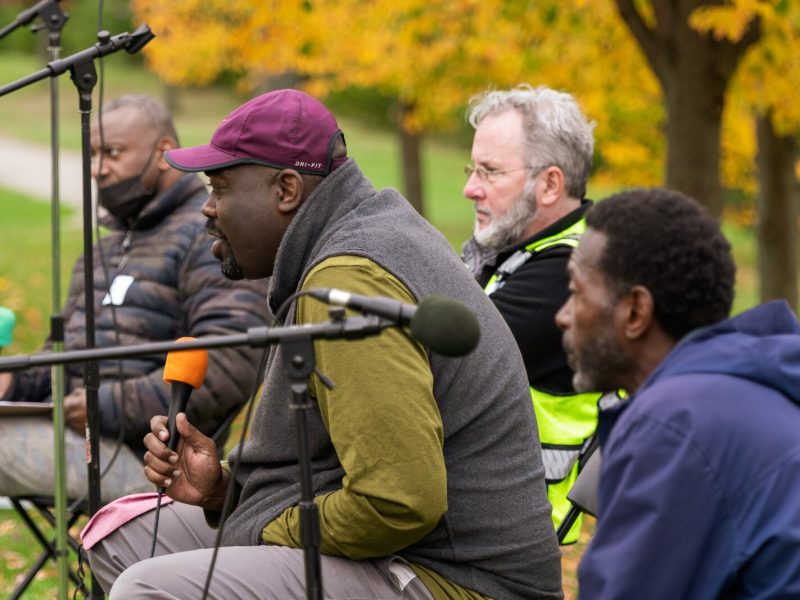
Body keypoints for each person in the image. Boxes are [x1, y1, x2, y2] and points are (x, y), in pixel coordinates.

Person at [85, 89, 563, 599]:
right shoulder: (349, 238)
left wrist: (261, 527)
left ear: (287, 190)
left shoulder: (351, 284)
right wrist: (225, 491)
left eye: (220, 187)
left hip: (456, 579)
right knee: (122, 541)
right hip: (394, 550)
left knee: (150, 588)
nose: (206, 208)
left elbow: (397, 502)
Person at [0, 95, 269, 503]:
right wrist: (14, 383)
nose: (97, 169)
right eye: (91, 154)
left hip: (153, 461)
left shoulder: (211, 237)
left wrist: (101, 405)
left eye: (112, 152)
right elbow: (65, 357)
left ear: (163, 153)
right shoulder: (103, 252)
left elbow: (228, 362)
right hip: (75, 436)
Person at [556, 188, 800, 598]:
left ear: (636, 311)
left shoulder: (676, 424)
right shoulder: (744, 396)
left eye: (578, 292)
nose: (563, 316)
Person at [461, 84, 602, 542]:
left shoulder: (569, 270)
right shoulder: (512, 247)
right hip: (482, 509)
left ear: (549, 184)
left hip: (512, 534)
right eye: (471, 168)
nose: (469, 188)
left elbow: (438, 359)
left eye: (489, 171)